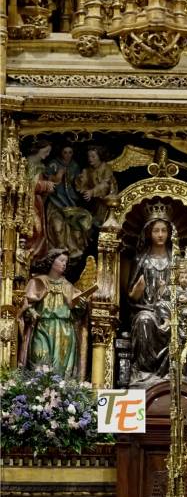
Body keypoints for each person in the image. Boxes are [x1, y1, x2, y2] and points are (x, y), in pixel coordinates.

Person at [18, 249, 86, 377]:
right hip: (42, 327)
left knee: (59, 371)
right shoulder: (37, 282)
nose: (64, 264)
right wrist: (31, 312)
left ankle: (60, 389)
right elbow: (24, 305)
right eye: (61, 260)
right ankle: (35, 389)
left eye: (66, 262)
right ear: (51, 261)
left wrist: (81, 305)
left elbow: (78, 314)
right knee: (39, 361)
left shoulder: (69, 286)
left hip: (64, 330)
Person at [128, 208, 173, 384]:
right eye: (156, 231)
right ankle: (144, 371)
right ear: (149, 233)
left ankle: (174, 373)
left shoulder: (175, 260)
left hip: (171, 312)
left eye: (164, 230)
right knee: (144, 320)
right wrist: (138, 290)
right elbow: (131, 298)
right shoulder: (141, 260)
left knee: (180, 324)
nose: (160, 235)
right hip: (146, 309)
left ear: (169, 233)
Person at [46, 143, 92, 259]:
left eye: (70, 152)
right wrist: (58, 176)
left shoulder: (74, 166)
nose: (67, 155)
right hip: (56, 200)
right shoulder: (53, 164)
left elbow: (78, 184)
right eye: (65, 152)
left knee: (74, 227)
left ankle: (73, 249)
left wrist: (81, 180)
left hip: (70, 201)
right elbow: (48, 180)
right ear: (61, 153)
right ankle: (60, 248)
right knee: (57, 226)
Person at [26, 140, 55, 260]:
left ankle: (36, 256)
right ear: (38, 149)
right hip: (28, 202)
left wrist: (47, 187)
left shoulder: (41, 166)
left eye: (49, 152)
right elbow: (28, 185)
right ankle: (30, 253)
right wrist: (45, 185)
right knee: (34, 229)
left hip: (37, 202)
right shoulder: (27, 163)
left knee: (40, 229)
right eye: (46, 151)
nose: (47, 154)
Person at [76, 145, 118, 228]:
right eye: (88, 156)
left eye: (93, 156)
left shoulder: (106, 168)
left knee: (102, 222)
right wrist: (81, 182)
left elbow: (106, 185)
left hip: (106, 203)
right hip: (94, 203)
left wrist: (92, 192)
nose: (90, 159)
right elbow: (82, 186)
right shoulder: (87, 170)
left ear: (100, 156)